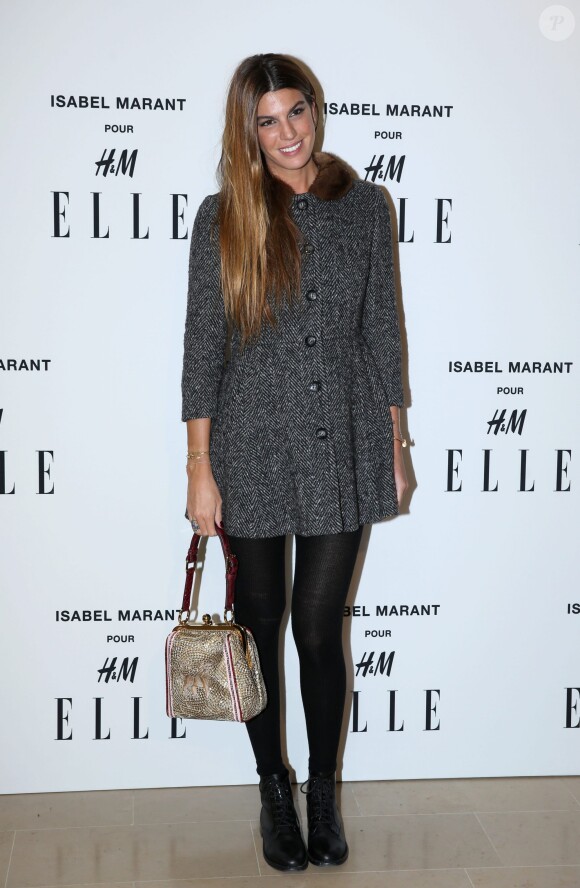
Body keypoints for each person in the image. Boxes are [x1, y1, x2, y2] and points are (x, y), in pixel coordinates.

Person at [181, 53, 408, 872]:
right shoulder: (224, 217)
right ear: (249, 130)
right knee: (258, 624)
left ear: (316, 109)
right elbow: (203, 347)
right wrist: (199, 467)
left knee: (320, 628)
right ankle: (272, 788)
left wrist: (396, 442)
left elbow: (382, 329)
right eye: (267, 120)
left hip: (343, 439)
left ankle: (322, 789)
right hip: (251, 442)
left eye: (296, 112)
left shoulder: (366, 207)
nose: (287, 133)